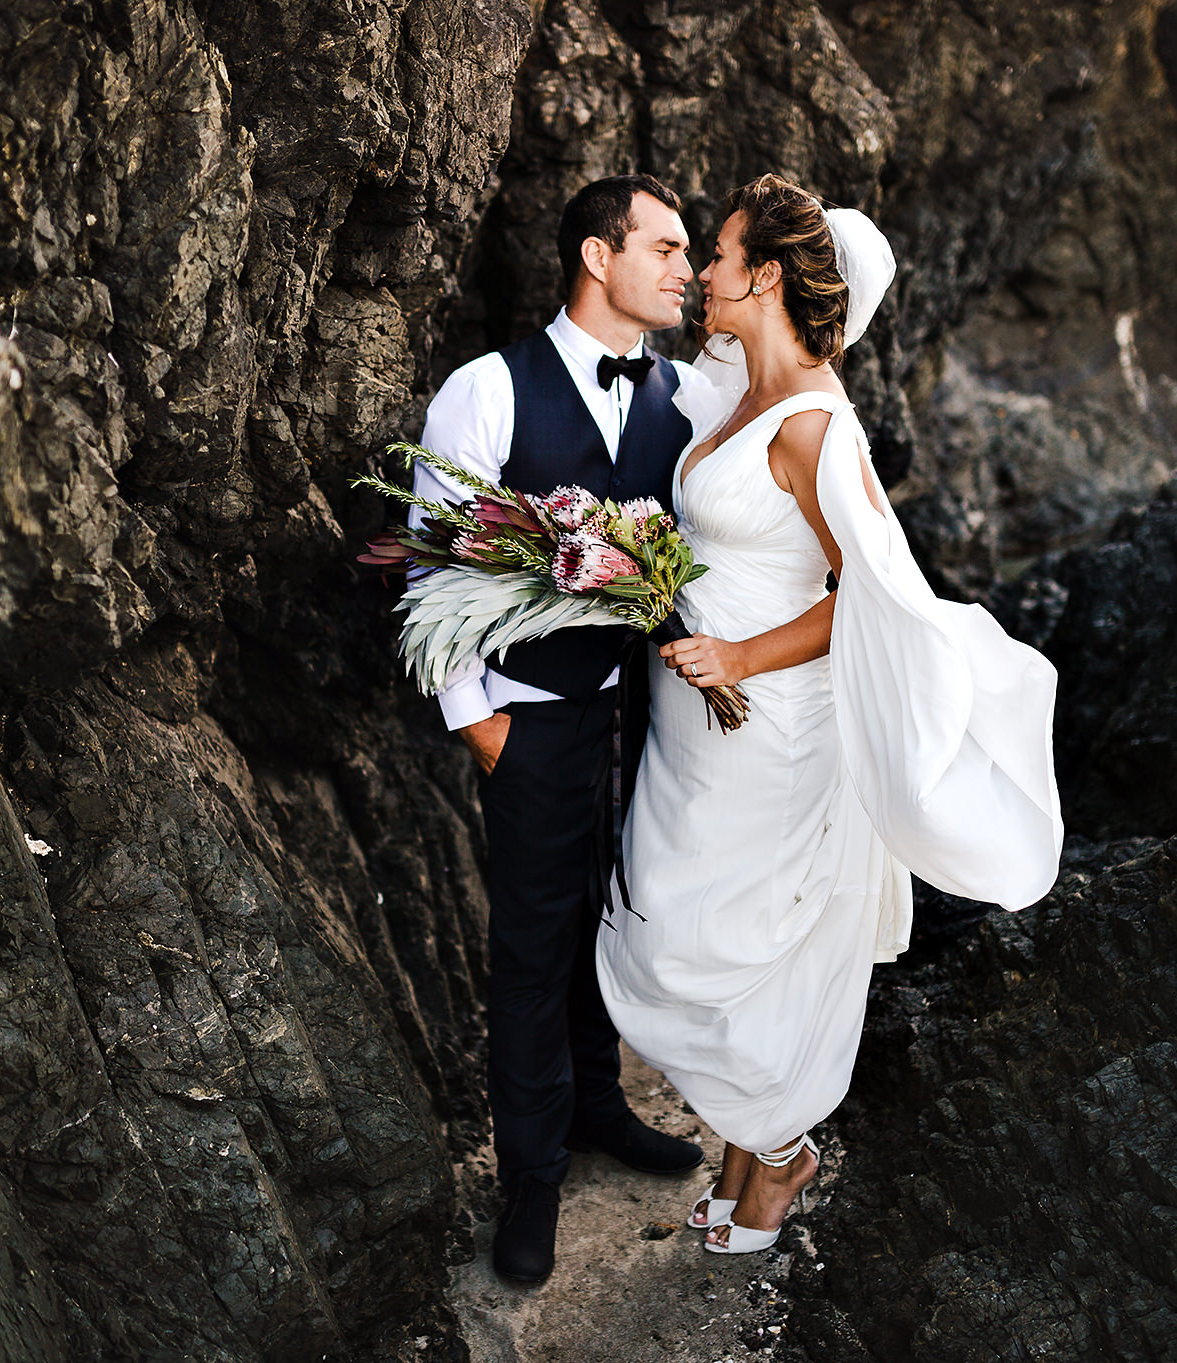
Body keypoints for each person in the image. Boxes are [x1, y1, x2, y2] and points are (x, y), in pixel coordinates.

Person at [596, 174, 1064, 1253]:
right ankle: (746, 1146)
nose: (700, 273)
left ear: (761, 274)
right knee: (689, 927)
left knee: (716, 941)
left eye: (714, 255)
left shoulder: (817, 427)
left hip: (764, 728)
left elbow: (868, 592)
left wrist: (739, 656)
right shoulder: (739, 388)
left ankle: (777, 1158)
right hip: (690, 728)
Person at [415, 173, 706, 1284]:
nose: (684, 269)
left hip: (649, 722)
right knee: (532, 947)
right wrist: (479, 725)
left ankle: (598, 1109)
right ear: (598, 256)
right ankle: (530, 1173)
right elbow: (431, 565)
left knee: (614, 917)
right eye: (666, 246)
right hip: (531, 722)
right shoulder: (484, 391)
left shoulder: (682, 393)